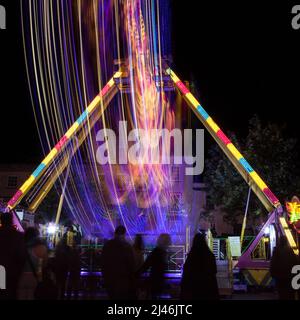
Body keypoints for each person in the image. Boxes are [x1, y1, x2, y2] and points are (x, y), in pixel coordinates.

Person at [181, 233, 219, 300]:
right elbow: (214, 270)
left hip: (194, 288)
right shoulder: (210, 255)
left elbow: (186, 271)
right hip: (208, 288)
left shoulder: (191, 256)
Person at [101, 226, 136, 300]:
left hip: (110, 278)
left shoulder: (107, 245)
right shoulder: (127, 247)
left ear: (115, 234)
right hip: (123, 280)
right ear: (124, 234)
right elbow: (131, 264)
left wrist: (104, 276)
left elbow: (103, 261)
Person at [17, 227, 49, 300]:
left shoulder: (21, 245)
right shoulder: (41, 248)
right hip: (35, 277)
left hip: (21, 276)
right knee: (32, 295)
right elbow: (44, 264)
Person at [0, 212, 26, 300]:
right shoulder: (18, 236)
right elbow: (22, 255)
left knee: (2, 291)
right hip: (14, 270)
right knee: (12, 292)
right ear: (11, 221)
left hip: (1, 269)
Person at [139, 233, 171, 299]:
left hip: (156, 281)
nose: (170, 244)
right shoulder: (159, 252)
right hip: (156, 282)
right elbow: (147, 265)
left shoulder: (158, 252)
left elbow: (146, 265)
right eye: (168, 242)